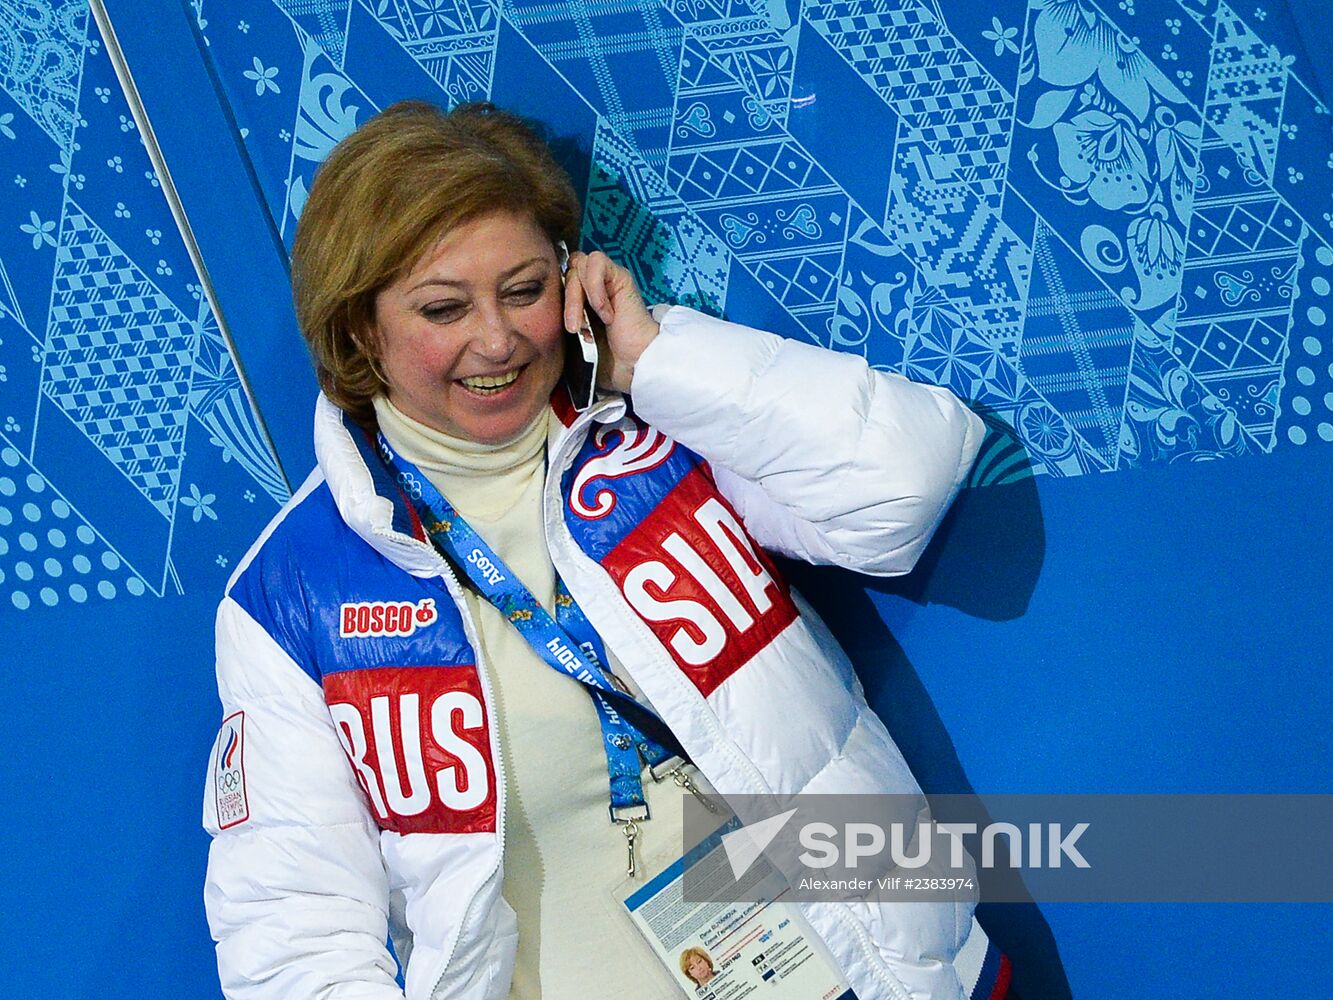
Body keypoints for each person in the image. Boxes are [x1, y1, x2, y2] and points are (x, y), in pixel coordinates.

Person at [202, 100, 1011, 1000]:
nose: (497, 340)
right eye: (443, 308)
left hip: (871, 976)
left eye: (523, 290)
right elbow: (293, 932)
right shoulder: (294, 594)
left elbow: (903, 485)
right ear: (360, 328)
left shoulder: (658, 423)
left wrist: (653, 361)